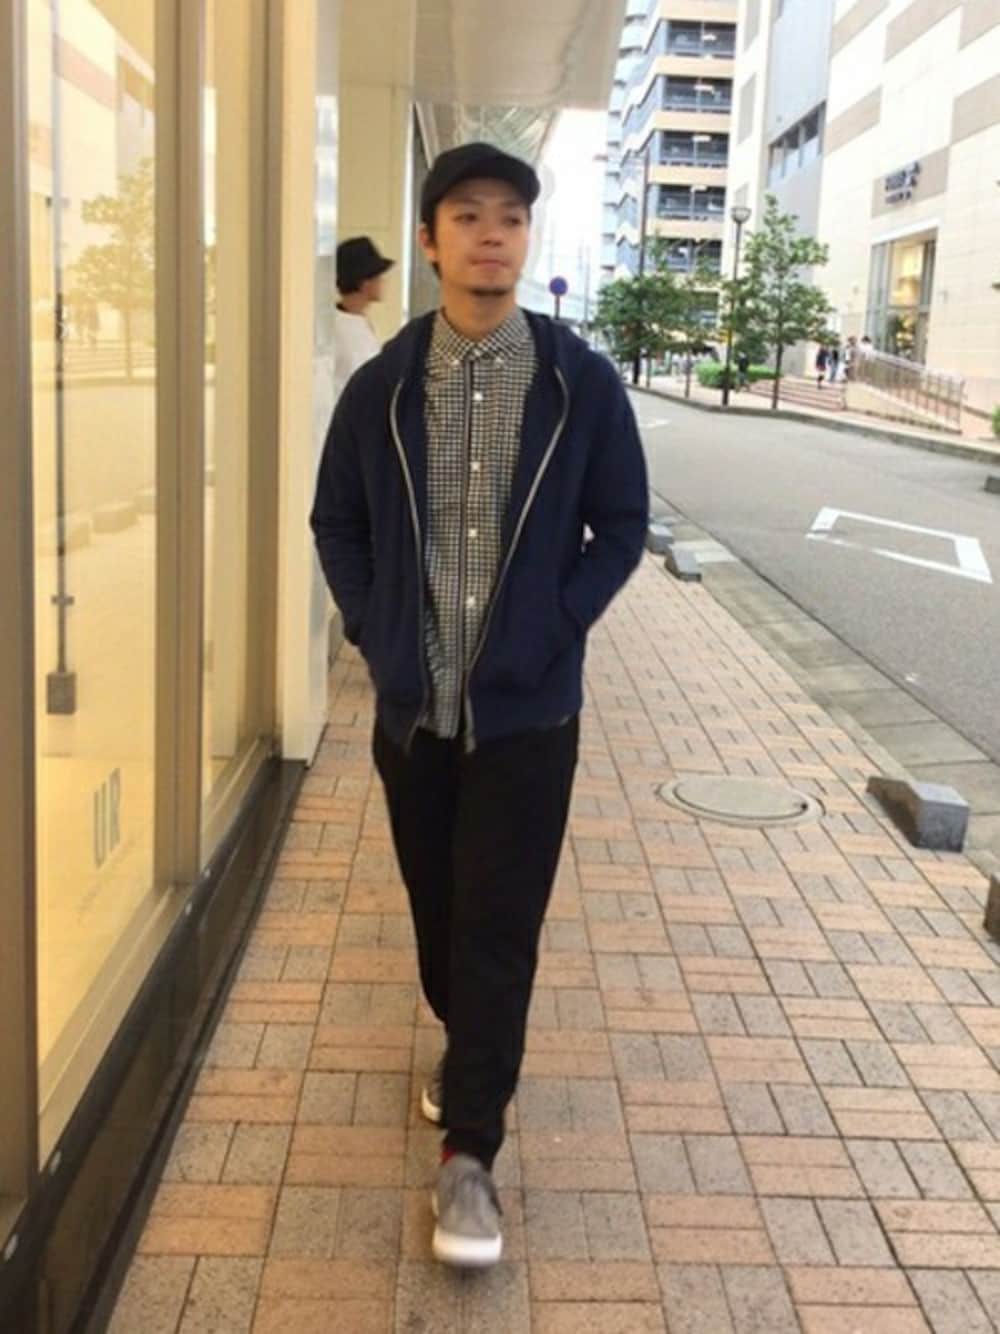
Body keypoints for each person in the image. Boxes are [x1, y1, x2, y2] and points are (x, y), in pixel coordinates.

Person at [311, 142, 648, 1270]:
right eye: (466, 215)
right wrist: (375, 630)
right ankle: (471, 1051)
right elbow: (337, 520)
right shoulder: (383, 387)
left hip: (527, 718)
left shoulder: (578, 384)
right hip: (415, 711)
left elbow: (621, 526)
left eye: (509, 215)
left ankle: (470, 1151)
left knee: (499, 921)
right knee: (439, 915)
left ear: (526, 238)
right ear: (429, 241)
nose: (491, 233)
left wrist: (555, 626)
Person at [332, 236, 394, 399]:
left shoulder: (358, 321)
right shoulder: (337, 326)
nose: (383, 282)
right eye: (378, 277)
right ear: (364, 283)